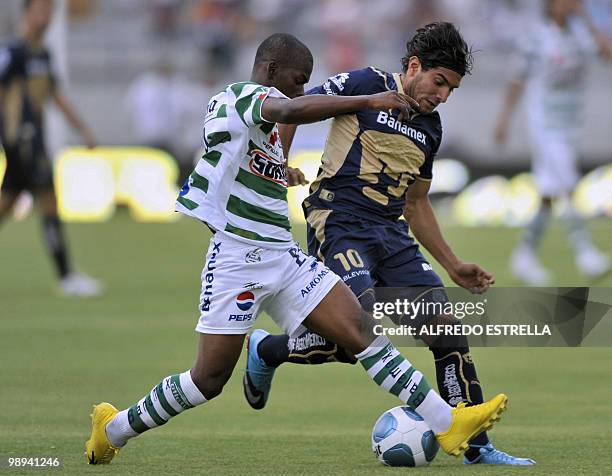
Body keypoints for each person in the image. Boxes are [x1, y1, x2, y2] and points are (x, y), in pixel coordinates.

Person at [85, 33, 508, 466]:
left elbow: (284, 122)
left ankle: (448, 422)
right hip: (237, 261)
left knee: (361, 333)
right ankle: (114, 427)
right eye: (299, 80)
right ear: (271, 73)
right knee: (207, 381)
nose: (304, 90)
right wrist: (365, 102)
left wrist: (282, 168)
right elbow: (289, 109)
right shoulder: (236, 99)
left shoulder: (267, 133)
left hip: (285, 258)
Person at [243, 24, 533, 466]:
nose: (443, 96)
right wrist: (279, 161)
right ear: (413, 67)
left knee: (447, 330)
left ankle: (475, 445)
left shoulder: (430, 129)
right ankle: (267, 350)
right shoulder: (365, 85)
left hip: (392, 237)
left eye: (451, 89)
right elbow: (295, 109)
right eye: (439, 82)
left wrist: (453, 265)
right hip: (338, 222)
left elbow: (416, 204)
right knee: (353, 331)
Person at [494, 0, 611, 285]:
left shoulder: (579, 34)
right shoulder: (536, 36)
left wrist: (586, 18)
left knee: (548, 193)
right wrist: (504, 119)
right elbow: (516, 80)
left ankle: (524, 256)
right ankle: (585, 252)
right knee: (567, 180)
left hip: (571, 122)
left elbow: (607, 54)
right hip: (544, 121)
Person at [0, 0, 101, 296]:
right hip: (22, 139)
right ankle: (67, 276)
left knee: (7, 202)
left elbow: (55, 96)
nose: (46, 16)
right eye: (41, 9)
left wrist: (82, 129)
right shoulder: (13, 52)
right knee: (49, 200)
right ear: (27, 12)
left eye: (49, 11)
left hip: (36, 137)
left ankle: (67, 275)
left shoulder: (42, 53)